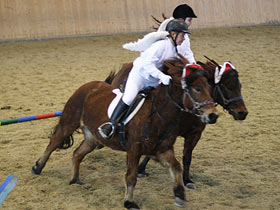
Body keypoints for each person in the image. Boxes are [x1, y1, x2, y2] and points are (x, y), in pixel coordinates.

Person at [98, 19, 190, 139]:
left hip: (153, 81)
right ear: (173, 34)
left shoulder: (175, 49)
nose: (184, 38)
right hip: (139, 77)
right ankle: (110, 125)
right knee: (129, 97)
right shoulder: (160, 46)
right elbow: (147, 65)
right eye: (182, 35)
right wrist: (161, 76)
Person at [123, 4, 197, 64]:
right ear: (181, 19)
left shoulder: (185, 36)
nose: (190, 23)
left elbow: (188, 53)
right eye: (189, 20)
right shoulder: (167, 36)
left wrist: (194, 65)